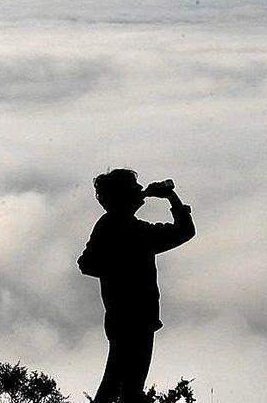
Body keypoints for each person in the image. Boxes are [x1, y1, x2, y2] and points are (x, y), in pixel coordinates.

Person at [78, 168, 196, 403]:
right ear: (123, 196)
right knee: (125, 388)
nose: (140, 190)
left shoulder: (110, 225)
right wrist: (171, 197)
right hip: (135, 318)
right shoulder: (133, 231)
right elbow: (185, 231)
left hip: (123, 317)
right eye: (134, 187)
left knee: (118, 383)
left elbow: (87, 263)